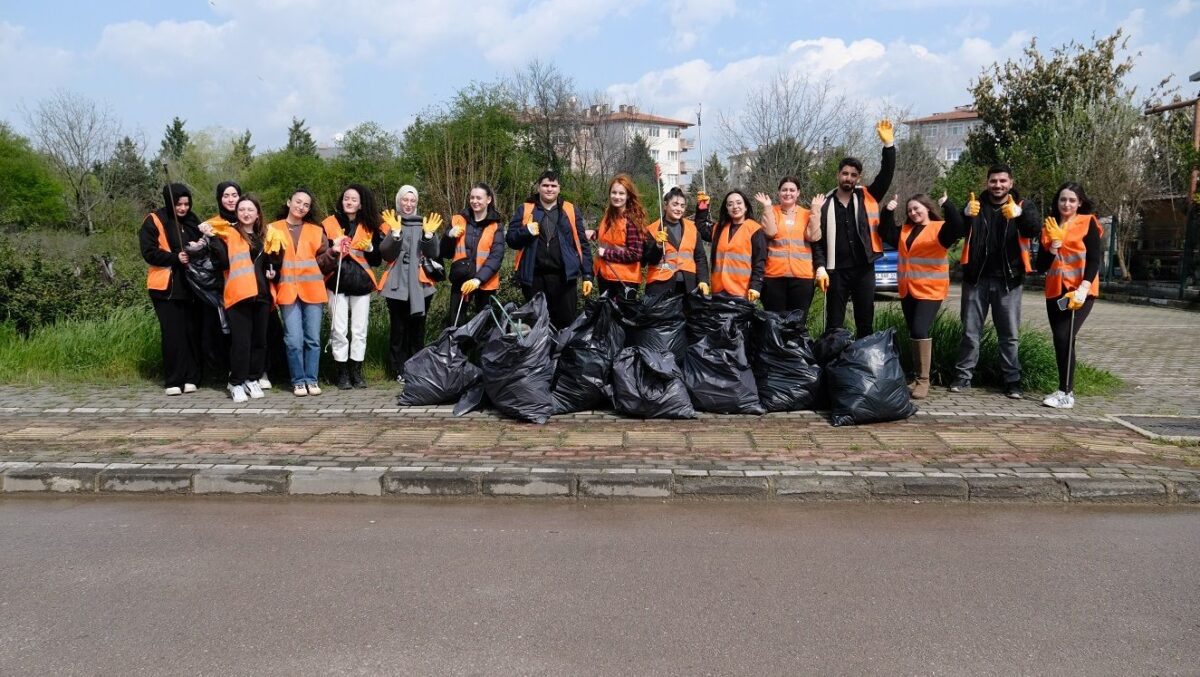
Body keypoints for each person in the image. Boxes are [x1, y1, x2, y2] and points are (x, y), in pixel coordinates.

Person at [950, 164, 1041, 398]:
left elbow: (1033, 229)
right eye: (993, 181)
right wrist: (963, 213)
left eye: (1002, 181)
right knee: (970, 332)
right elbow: (955, 231)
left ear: (1011, 182)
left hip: (1008, 281)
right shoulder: (975, 205)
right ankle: (963, 376)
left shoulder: (1023, 206)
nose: (998, 185)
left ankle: (1012, 381)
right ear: (987, 182)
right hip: (976, 279)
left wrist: (1020, 216)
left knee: (1009, 334)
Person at [810, 120, 896, 338]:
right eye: (845, 173)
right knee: (834, 324)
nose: (848, 178)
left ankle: (863, 367)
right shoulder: (824, 203)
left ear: (858, 177)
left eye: (853, 175)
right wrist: (819, 266)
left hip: (863, 269)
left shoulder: (867, 195)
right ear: (838, 174)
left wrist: (889, 147)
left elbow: (886, 175)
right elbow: (817, 241)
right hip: (836, 271)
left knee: (865, 321)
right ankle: (836, 365)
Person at [880, 191, 964, 399]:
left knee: (919, 329)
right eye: (909, 210)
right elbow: (885, 233)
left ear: (927, 208)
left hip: (930, 289)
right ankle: (916, 377)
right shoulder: (906, 230)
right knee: (914, 331)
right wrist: (888, 211)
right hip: (908, 289)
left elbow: (958, 227)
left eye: (917, 208)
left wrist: (948, 204)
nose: (913, 212)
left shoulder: (939, 229)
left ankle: (924, 381)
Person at [1036, 182, 1102, 409]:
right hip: (1056, 291)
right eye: (1063, 199)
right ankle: (1063, 389)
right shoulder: (1049, 225)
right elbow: (1041, 265)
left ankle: (1066, 393)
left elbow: (1095, 258)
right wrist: (1053, 245)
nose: (1067, 204)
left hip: (1079, 292)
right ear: (1057, 201)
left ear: (1080, 203)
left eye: (1072, 200)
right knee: (1061, 340)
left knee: (1065, 336)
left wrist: (1084, 287)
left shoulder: (1087, 222)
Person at [268, 188, 338, 397]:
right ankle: (298, 380)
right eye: (298, 202)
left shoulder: (316, 231)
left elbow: (323, 264)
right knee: (293, 339)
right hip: (287, 291)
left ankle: (312, 379)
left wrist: (333, 253)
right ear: (289, 202)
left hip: (313, 292)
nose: (301, 207)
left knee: (313, 339)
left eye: (306, 205)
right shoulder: (273, 229)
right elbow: (269, 258)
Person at [209, 195, 279, 402]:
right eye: (242, 210)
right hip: (239, 295)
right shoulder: (229, 233)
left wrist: (272, 271)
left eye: (250, 210)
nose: (246, 213)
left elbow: (270, 261)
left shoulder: (265, 235)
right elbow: (222, 261)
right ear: (236, 213)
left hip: (262, 295)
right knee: (241, 342)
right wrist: (211, 238)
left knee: (260, 341)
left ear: (258, 213)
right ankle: (236, 382)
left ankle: (253, 378)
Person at [506, 170, 594, 329]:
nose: (549, 189)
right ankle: (540, 354)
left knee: (566, 324)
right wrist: (526, 231)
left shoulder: (570, 210)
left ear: (559, 188)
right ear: (539, 187)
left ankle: (561, 354)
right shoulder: (525, 209)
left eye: (553, 185)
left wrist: (587, 274)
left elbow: (582, 244)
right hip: (534, 278)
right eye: (545, 185)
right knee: (537, 325)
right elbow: (511, 240)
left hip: (564, 279)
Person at [139, 183, 203, 396]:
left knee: (192, 333)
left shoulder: (194, 221)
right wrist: (174, 258)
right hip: (165, 287)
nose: (183, 208)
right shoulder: (153, 220)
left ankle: (192, 377)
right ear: (170, 202)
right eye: (178, 204)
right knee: (173, 334)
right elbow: (149, 252)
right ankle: (174, 379)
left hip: (193, 287)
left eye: (186, 204)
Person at [321, 185, 386, 390]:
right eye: (346, 198)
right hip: (336, 281)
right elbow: (321, 254)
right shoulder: (329, 223)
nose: (349, 202)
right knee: (338, 330)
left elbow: (376, 261)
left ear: (360, 204)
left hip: (361, 282)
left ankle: (356, 372)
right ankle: (342, 373)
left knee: (359, 330)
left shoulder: (370, 225)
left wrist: (370, 248)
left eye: (354, 199)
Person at [379, 185, 442, 383]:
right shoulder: (389, 223)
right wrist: (395, 234)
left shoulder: (425, 223)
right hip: (396, 285)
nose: (408, 204)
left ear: (416, 203)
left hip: (420, 284)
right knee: (398, 329)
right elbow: (386, 254)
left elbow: (434, 253)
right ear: (399, 201)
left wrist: (429, 237)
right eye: (405, 200)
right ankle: (398, 369)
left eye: (412, 200)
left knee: (417, 328)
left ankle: (418, 369)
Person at [754, 177, 826, 324]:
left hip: (802, 277)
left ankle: (795, 347)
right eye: (784, 190)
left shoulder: (807, 214)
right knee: (775, 323)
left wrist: (816, 210)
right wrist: (767, 207)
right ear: (779, 192)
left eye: (792, 190)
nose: (788, 193)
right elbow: (770, 232)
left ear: (798, 193)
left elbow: (813, 236)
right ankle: (776, 348)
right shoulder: (771, 211)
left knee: (797, 324)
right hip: (774, 277)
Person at [196, 180, 241, 382]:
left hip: (245, 284)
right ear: (219, 199)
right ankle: (228, 370)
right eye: (226, 196)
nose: (231, 200)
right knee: (224, 330)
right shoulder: (210, 225)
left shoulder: (248, 219)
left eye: (234, 195)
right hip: (219, 286)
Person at [442, 182, 505, 328]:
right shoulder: (458, 220)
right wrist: (449, 236)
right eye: (472, 198)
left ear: (488, 200)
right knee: (456, 322)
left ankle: (481, 350)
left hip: (485, 282)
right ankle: (456, 350)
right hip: (461, 279)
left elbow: (496, 257)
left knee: (483, 323)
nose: (474, 201)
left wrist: (478, 280)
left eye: (479, 198)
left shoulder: (496, 226)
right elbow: (445, 252)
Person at [643, 187, 710, 298]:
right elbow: (649, 260)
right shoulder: (652, 229)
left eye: (682, 206)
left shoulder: (692, 228)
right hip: (660, 286)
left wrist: (703, 280)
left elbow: (700, 258)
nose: (679, 209)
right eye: (675, 204)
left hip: (688, 286)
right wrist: (658, 246)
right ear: (665, 205)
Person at [593, 174, 646, 300]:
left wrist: (606, 253)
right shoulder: (610, 215)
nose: (617, 197)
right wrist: (594, 233)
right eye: (614, 192)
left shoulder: (632, 220)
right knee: (606, 316)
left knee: (621, 319)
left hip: (624, 280)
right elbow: (610, 236)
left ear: (628, 196)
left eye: (621, 193)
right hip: (605, 275)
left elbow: (635, 254)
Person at [709, 190, 767, 301]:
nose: (735, 207)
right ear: (726, 209)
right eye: (730, 204)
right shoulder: (718, 229)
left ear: (746, 207)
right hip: (718, 290)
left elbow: (760, 261)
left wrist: (755, 286)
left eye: (739, 203)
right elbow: (700, 227)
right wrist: (702, 206)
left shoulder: (755, 229)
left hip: (742, 291)